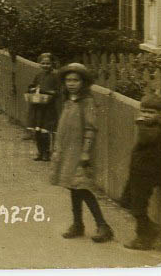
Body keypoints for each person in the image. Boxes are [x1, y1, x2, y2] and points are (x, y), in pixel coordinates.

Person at [51, 63, 113, 243]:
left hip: (81, 152)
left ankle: (103, 226)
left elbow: (90, 129)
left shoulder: (87, 102)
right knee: (73, 187)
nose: (71, 83)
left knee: (83, 188)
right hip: (68, 150)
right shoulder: (69, 100)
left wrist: (85, 152)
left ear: (83, 82)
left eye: (76, 80)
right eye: (68, 80)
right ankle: (77, 224)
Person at [119, 92, 161, 250]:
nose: (146, 115)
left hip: (146, 175)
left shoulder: (155, 129)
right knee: (126, 201)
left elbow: (146, 139)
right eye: (144, 112)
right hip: (137, 172)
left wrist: (141, 123)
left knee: (138, 207)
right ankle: (150, 228)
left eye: (151, 113)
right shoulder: (149, 126)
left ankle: (143, 237)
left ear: (160, 115)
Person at [26, 53, 60, 161]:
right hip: (37, 107)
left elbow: (57, 92)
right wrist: (31, 89)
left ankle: (46, 152)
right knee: (37, 131)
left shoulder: (55, 77)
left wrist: (46, 92)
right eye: (43, 63)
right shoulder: (38, 75)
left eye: (48, 63)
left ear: (52, 64)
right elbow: (32, 86)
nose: (45, 65)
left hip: (48, 108)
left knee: (45, 131)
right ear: (39, 64)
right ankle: (40, 152)